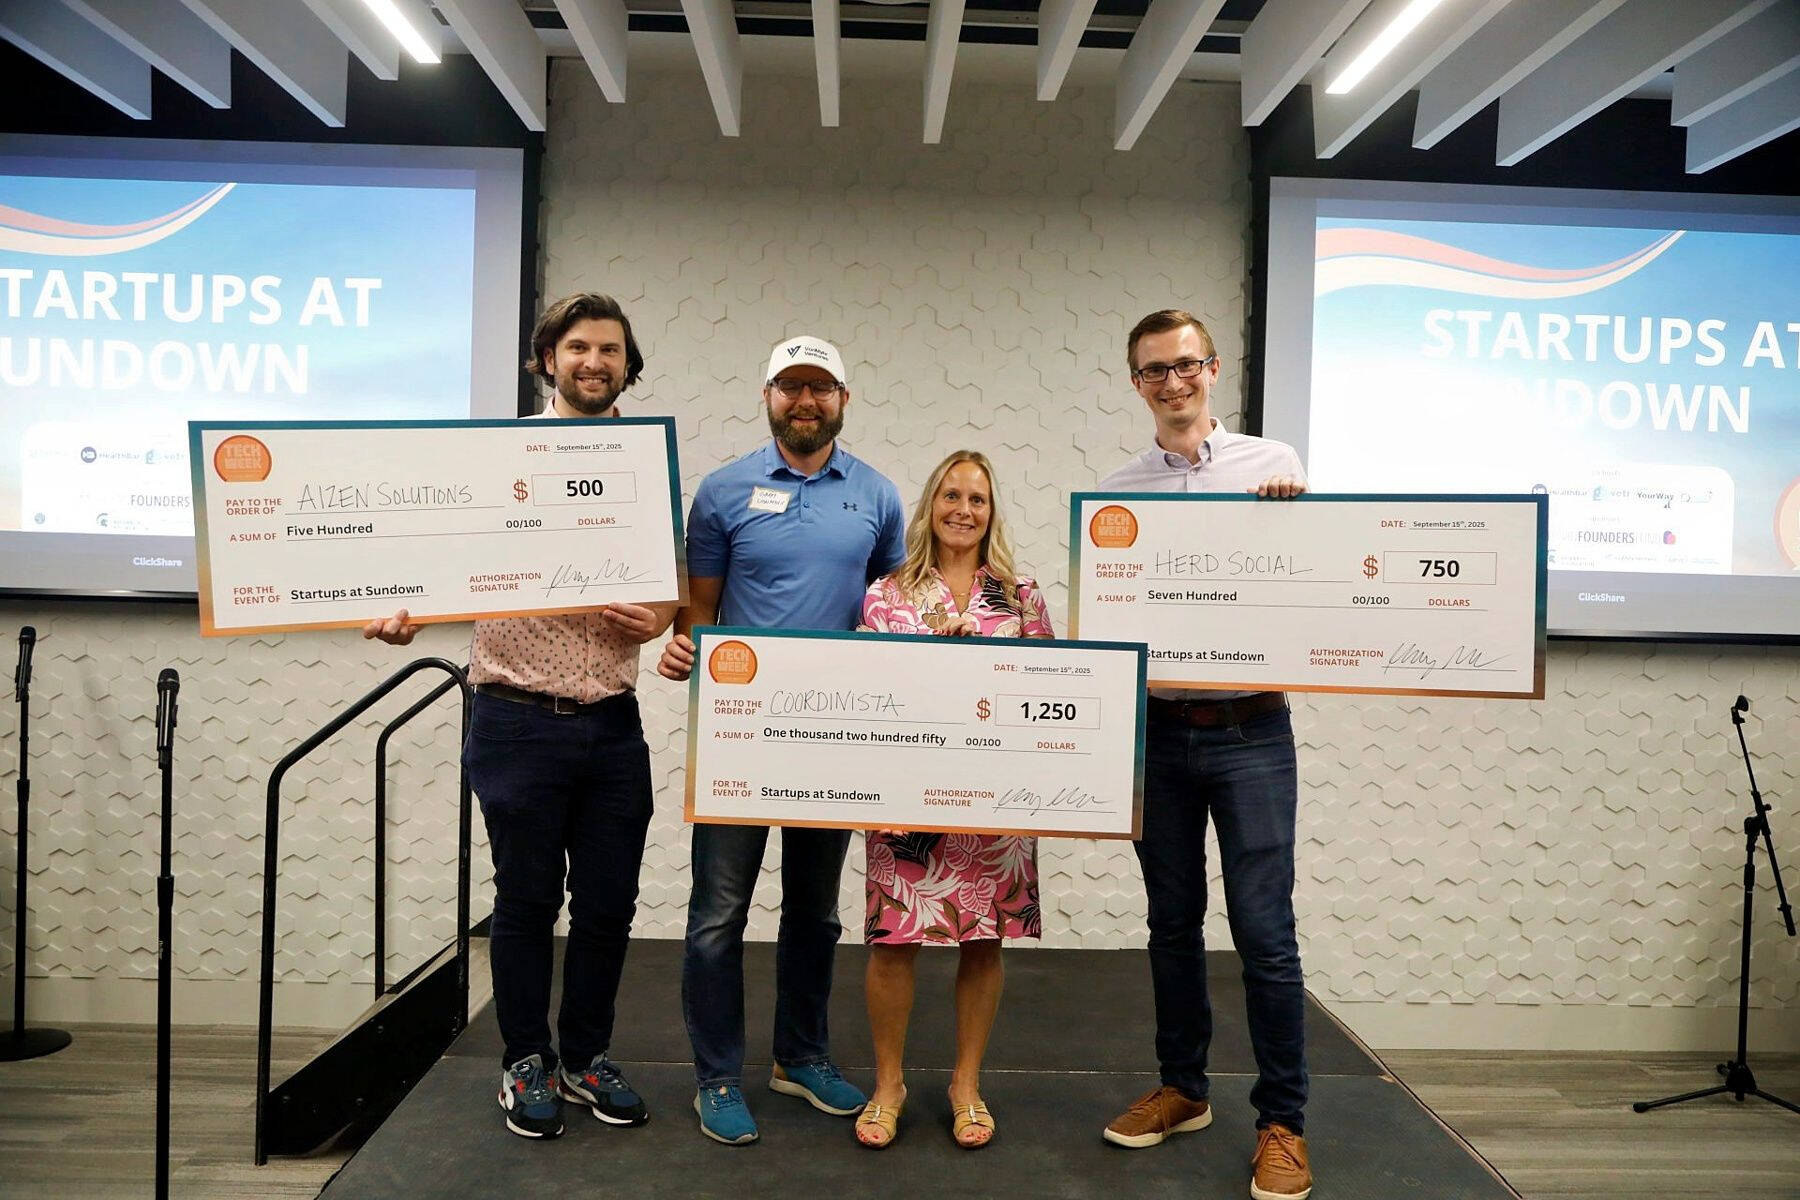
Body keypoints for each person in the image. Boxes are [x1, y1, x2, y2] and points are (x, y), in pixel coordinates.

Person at [365, 293, 675, 1140]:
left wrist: (660, 615)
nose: (595, 362)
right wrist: (406, 612)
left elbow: (671, 584)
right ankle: (524, 1062)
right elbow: (440, 556)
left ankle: (585, 1058)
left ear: (626, 365)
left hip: (614, 722)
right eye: (579, 347)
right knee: (527, 900)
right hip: (514, 716)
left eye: (611, 349)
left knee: (609, 906)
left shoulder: (648, 465)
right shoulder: (494, 457)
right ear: (550, 359)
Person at [657, 335, 906, 1145]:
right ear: (768, 395)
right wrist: (685, 644)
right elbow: (700, 608)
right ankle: (717, 1077)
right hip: (741, 737)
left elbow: (893, 615)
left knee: (815, 914)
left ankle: (799, 1058)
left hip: (833, 740)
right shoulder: (724, 491)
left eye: (821, 388)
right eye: (791, 387)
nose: (806, 401)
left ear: (843, 398)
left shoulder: (877, 495)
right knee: (717, 917)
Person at [1096, 310, 1314, 1200]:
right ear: (1137, 383)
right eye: (1154, 371)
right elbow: (1114, 621)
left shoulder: (1277, 468)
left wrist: (1299, 525)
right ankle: (1185, 1089)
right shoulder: (1119, 493)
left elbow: (1315, 588)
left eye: (1185, 365)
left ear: (1212, 370)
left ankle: (1284, 1121)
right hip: (1162, 735)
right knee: (1170, 925)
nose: (1172, 382)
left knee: (1264, 934)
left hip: (1253, 731)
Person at [850, 450, 1052, 1151]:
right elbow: (867, 692)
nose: (963, 510)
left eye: (978, 499)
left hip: (994, 801)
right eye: (951, 496)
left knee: (984, 942)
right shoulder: (887, 594)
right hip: (907, 800)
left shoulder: (1020, 596)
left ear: (993, 512)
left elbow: (1047, 690)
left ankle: (966, 1084)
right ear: (929, 505)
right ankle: (889, 1085)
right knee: (892, 946)